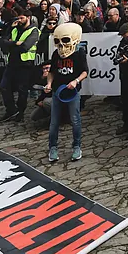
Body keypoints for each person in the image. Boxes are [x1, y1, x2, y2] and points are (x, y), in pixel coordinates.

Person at [45, 22, 88, 162]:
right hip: (58, 92)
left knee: (75, 120)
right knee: (54, 122)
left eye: (65, 40)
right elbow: (51, 72)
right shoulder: (55, 54)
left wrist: (76, 81)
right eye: (58, 42)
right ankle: (52, 148)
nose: (61, 46)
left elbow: (85, 72)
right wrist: (49, 84)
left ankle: (77, 146)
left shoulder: (79, 53)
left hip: (73, 93)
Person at [0, 8, 39, 123]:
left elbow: (25, 47)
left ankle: (20, 112)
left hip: (25, 64)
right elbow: (3, 42)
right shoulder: (14, 29)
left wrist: (11, 45)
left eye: (22, 18)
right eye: (18, 18)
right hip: (12, 62)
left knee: (22, 90)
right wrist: (15, 42)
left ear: (28, 18)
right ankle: (11, 109)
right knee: (4, 86)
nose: (19, 20)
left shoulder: (34, 31)